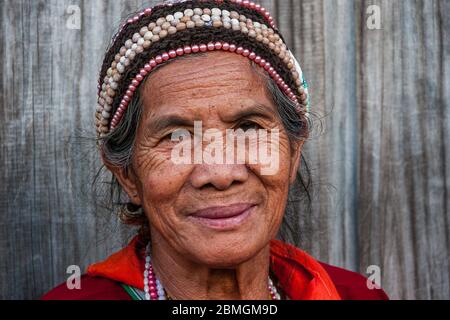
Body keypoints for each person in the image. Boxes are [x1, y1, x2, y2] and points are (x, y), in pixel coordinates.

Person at [43, 0, 388, 300]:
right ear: (128, 175)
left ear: (293, 152)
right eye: (177, 137)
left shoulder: (354, 294)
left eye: (249, 128)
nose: (221, 174)